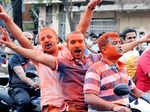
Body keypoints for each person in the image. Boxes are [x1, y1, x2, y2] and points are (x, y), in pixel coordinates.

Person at [0, 0, 103, 111]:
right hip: (52, 105)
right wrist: (8, 20)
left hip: (75, 104)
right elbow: (21, 37)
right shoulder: (38, 55)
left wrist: (89, 8)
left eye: (49, 37)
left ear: (56, 38)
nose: (46, 40)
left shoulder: (67, 50)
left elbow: (80, 31)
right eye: (42, 39)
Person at [83, 32, 144, 112]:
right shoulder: (95, 69)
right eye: (115, 43)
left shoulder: (123, 68)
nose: (119, 46)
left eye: (120, 43)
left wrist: (147, 97)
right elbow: (89, 97)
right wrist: (114, 107)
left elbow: (134, 90)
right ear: (104, 49)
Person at [7, 32, 39, 112]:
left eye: (32, 39)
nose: (31, 41)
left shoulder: (34, 56)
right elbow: (22, 76)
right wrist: (33, 83)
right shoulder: (15, 57)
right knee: (24, 102)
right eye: (28, 39)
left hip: (34, 88)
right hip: (19, 87)